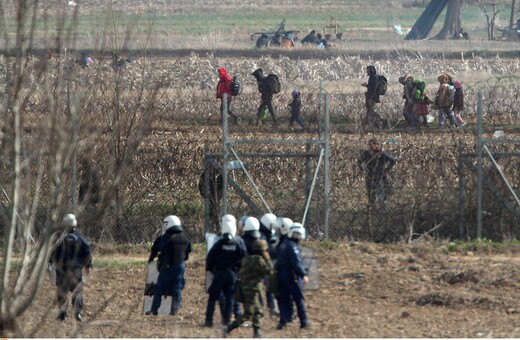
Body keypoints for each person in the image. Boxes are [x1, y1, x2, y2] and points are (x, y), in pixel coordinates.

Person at [224, 239, 273, 338]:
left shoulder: (247, 258)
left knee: (257, 311)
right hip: (251, 289)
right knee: (249, 313)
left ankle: (257, 333)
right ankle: (229, 328)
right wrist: (268, 258)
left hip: (245, 288)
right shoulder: (258, 260)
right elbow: (270, 270)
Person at [50, 213, 93, 322]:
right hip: (75, 270)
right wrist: (88, 265)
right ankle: (78, 312)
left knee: (61, 292)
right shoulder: (79, 237)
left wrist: (51, 264)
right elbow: (87, 250)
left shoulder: (58, 237)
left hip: (61, 270)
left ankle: (62, 314)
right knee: (77, 291)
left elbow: (52, 252)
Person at [204, 217, 246, 327]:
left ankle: (209, 321)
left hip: (219, 274)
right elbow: (244, 257)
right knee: (230, 298)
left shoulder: (219, 243)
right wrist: (239, 269)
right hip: (232, 275)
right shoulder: (238, 244)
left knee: (213, 297)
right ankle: (227, 321)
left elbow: (210, 257)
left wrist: (210, 269)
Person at [146, 215, 192, 316]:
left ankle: (154, 309)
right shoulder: (185, 239)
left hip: (167, 267)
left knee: (160, 288)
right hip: (180, 266)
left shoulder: (163, 239)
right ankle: (174, 310)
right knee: (176, 288)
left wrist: (151, 260)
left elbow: (155, 250)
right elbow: (187, 254)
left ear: (168, 225)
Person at [276, 223, 310, 330]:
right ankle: (304, 321)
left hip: (281, 275)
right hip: (291, 276)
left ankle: (283, 321)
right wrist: (303, 274)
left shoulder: (283, 244)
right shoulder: (292, 246)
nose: (299, 237)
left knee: (284, 298)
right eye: (297, 234)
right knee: (298, 298)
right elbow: (296, 262)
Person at [357, 139, 396, 209]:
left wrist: (387, 170)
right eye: (368, 145)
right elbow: (359, 160)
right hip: (369, 175)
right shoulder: (366, 154)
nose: (369, 147)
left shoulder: (381, 154)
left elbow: (393, 160)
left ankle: (382, 206)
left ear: (376, 145)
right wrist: (360, 168)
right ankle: (371, 205)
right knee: (370, 191)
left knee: (380, 192)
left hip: (378, 176)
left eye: (371, 145)